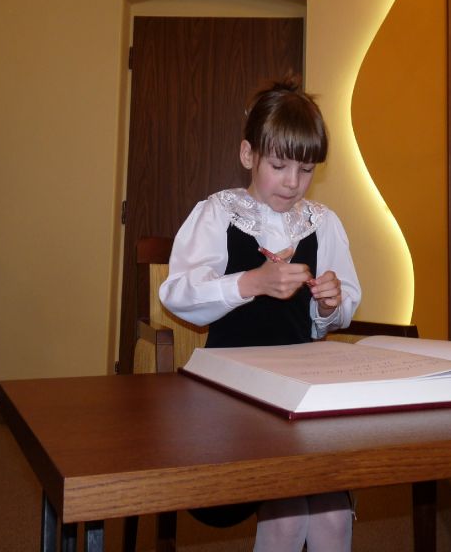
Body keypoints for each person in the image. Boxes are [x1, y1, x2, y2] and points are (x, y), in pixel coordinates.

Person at [159, 77, 360, 552]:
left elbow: (345, 302)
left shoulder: (322, 223)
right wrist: (250, 282)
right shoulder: (218, 213)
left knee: (332, 515)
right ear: (248, 154)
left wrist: (329, 305)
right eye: (279, 165)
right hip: (232, 389)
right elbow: (177, 293)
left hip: (301, 385)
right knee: (288, 517)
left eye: (306, 169)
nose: (293, 182)